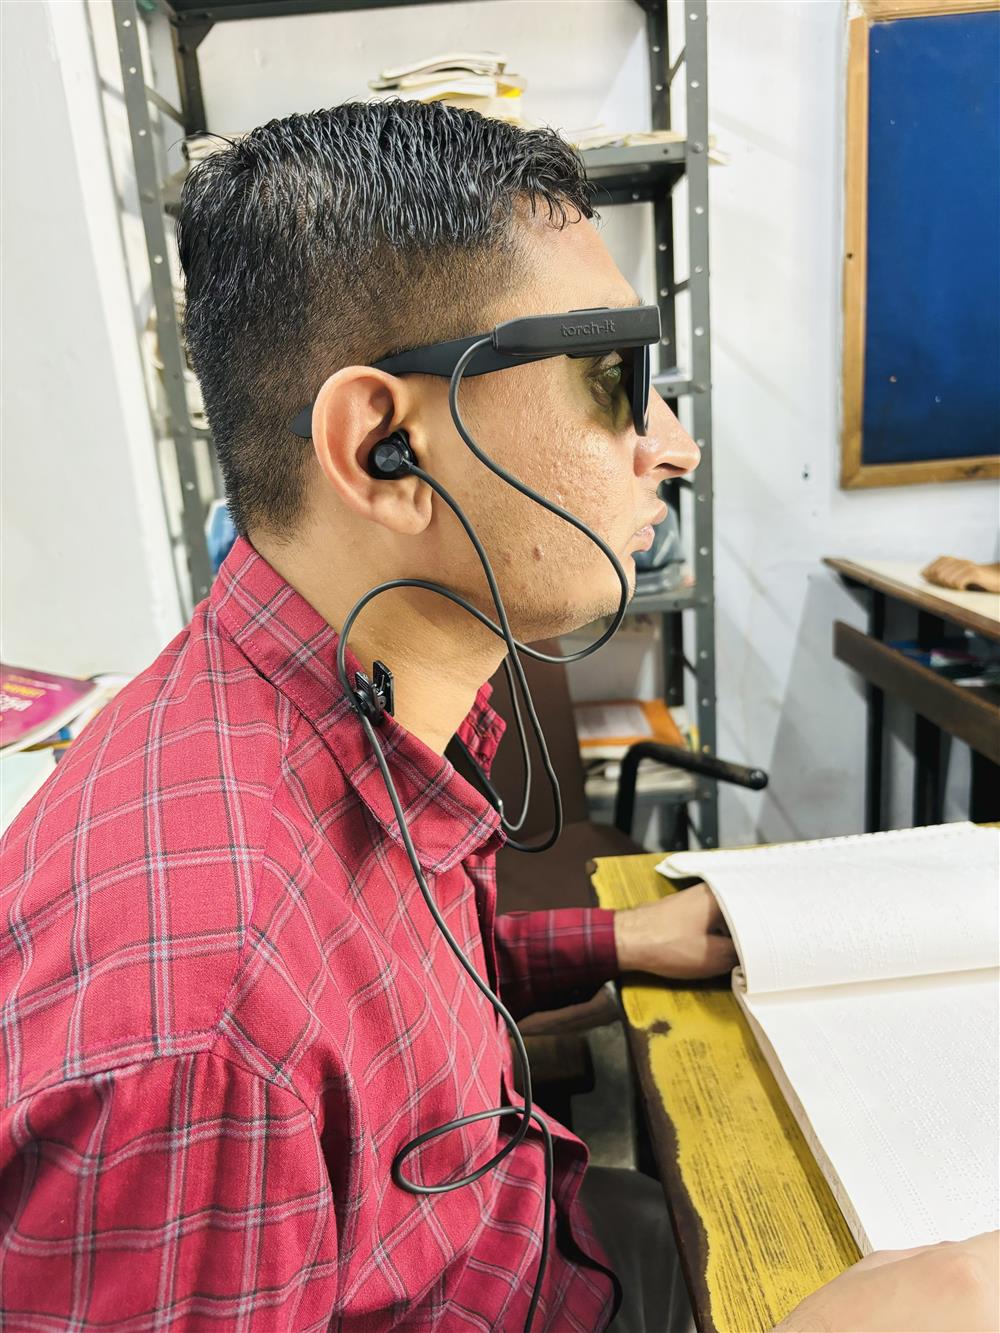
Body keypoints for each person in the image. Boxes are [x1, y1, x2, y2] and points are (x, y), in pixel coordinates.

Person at [1, 102, 995, 1332]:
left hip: (543, 1239)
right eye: (608, 377)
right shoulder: (199, 1027)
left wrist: (615, 943)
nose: (671, 446)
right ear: (384, 450)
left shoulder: (346, 707)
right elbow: (280, 1031)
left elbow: (381, 1015)